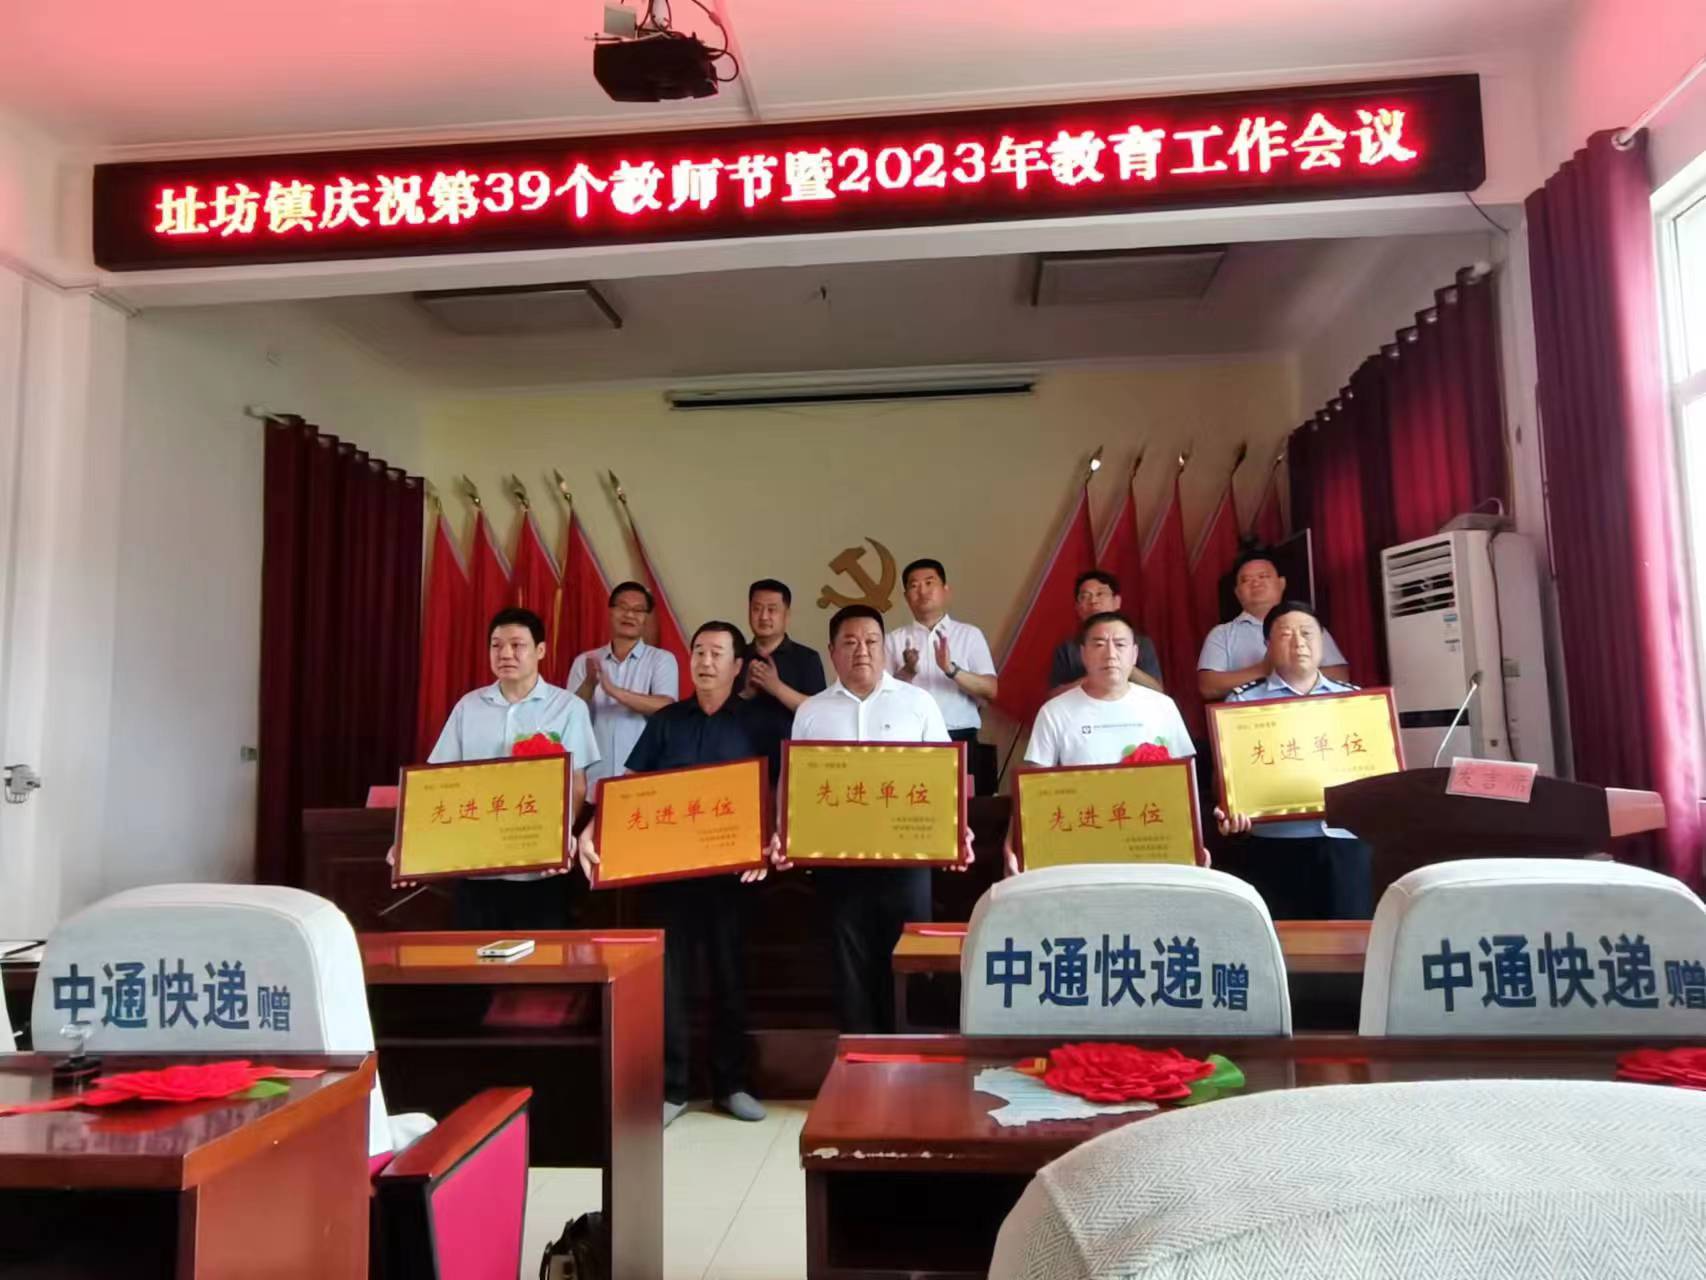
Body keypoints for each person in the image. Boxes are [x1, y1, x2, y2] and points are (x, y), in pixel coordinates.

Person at [578, 621, 768, 1127]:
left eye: (716, 653)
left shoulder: (756, 724)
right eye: (698, 651)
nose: (705, 661)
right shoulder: (666, 721)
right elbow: (630, 787)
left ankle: (732, 1084)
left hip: (733, 877)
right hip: (669, 876)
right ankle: (672, 1088)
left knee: (730, 977)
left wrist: (767, 846)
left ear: (737, 665)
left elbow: (776, 791)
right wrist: (592, 830)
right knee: (669, 981)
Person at [793, 604, 976, 1033]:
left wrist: (957, 830)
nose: (862, 650)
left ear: (884, 648)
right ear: (832, 652)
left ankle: (908, 1055)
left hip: (906, 860)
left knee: (909, 962)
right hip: (838, 863)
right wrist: (790, 833)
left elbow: (943, 777)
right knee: (848, 967)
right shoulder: (812, 711)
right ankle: (859, 1057)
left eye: (872, 641)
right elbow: (798, 783)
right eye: (850, 642)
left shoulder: (918, 703)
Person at [427, 607, 598, 930]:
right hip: (476, 864)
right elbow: (439, 779)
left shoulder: (568, 708)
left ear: (541, 650)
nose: (505, 654)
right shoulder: (468, 706)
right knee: (474, 955)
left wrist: (561, 835)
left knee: (540, 956)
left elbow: (576, 783)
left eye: (517, 645)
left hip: (539, 866)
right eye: (496, 645)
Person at [1213, 600, 1373, 920]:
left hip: (1345, 844)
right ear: (1268, 645)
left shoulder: (1354, 699)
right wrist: (1230, 808)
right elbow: (1228, 778)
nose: (1299, 642)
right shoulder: (1242, 703)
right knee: (1285, 941)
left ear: (1322, 641)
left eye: (1307, 633)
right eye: (1286, 634)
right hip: (1275, 845)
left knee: (1351, 940)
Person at [1007, 611, 1200, 875]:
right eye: (1099, 644)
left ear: (1134, 654)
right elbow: (1032, 789)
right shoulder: (1054, 712)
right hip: (1082, 845)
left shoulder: (1162, 707)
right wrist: (1013, 843)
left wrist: (1194, 843)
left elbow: (1185, 784)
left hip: (1149, 843)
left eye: (1120, 644)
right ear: (1083, 654)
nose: (1110, 654)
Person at [1197, 551, 1350, 702]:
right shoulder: (1222, 634)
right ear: (1237, 592)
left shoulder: (1308, 626)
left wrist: (1293, 673)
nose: (1256, 583)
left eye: (1263, 576)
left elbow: (1340, 675)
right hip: (1253, 713)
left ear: (1281, 583)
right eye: (1246, 580)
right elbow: (1208, 687)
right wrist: (1263, 669)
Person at [566, 581, 679, 786]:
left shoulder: (661, 660)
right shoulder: (585, 661)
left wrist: (614, 691)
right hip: (593, 779)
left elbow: (666, 707)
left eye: (638, 610)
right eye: (623, 607)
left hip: (643, 779)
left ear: (647, 618)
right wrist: (589, 685)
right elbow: (569, 718)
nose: (629, 615)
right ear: (610, 611)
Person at [885, 558, 998, 746]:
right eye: (914, 586)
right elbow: (881, 696)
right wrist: (907, 672)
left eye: (929, 583)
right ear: (906, 597)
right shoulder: (892, 640)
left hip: (960, 736)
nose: (922, 591)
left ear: (946, 590)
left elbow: (991, 690)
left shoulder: (969, 634)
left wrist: (950, 669)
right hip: (909, 736)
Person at [738, 578, 827, 782]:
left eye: (772, 609)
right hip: (741, 763)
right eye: (757, 609)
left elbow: (819, 713)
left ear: (786, 614)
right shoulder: (736, 657)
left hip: (791, 766)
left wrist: (776, 687)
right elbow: (721, 711)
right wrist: (746, 694)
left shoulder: (806, 658)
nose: (764, 616)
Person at [1048, 570, 1164, 695]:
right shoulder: (1067, 649)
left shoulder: (1141, 643)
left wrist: (1124, 666)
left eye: (1100, 594)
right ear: (1077, 607)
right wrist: (1095, 676)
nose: (1093, 601)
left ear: (1116, 602)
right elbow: (1054, 696)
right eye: (1085, 596)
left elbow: (1158, 691)